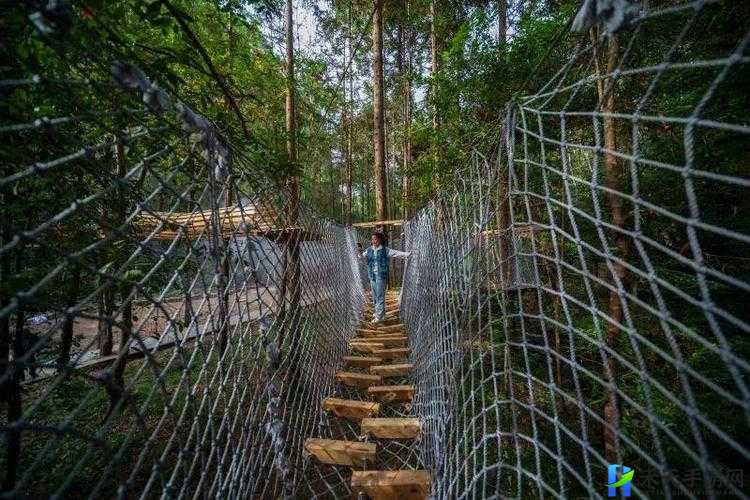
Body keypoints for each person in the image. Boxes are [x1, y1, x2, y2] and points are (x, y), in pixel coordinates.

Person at [360, 232, 410, 324]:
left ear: (379, 240)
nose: (373, 241)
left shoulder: (385, 250)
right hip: (372, 276)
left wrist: (407, 254)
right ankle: (379, 313)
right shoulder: (369, 250)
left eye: (375, 239)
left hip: (381, 276)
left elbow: (396, 253)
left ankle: (379, 316)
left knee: (380, 296)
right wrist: (358, 252)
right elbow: (361, 256)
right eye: (372, 239)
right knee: (375, 296)